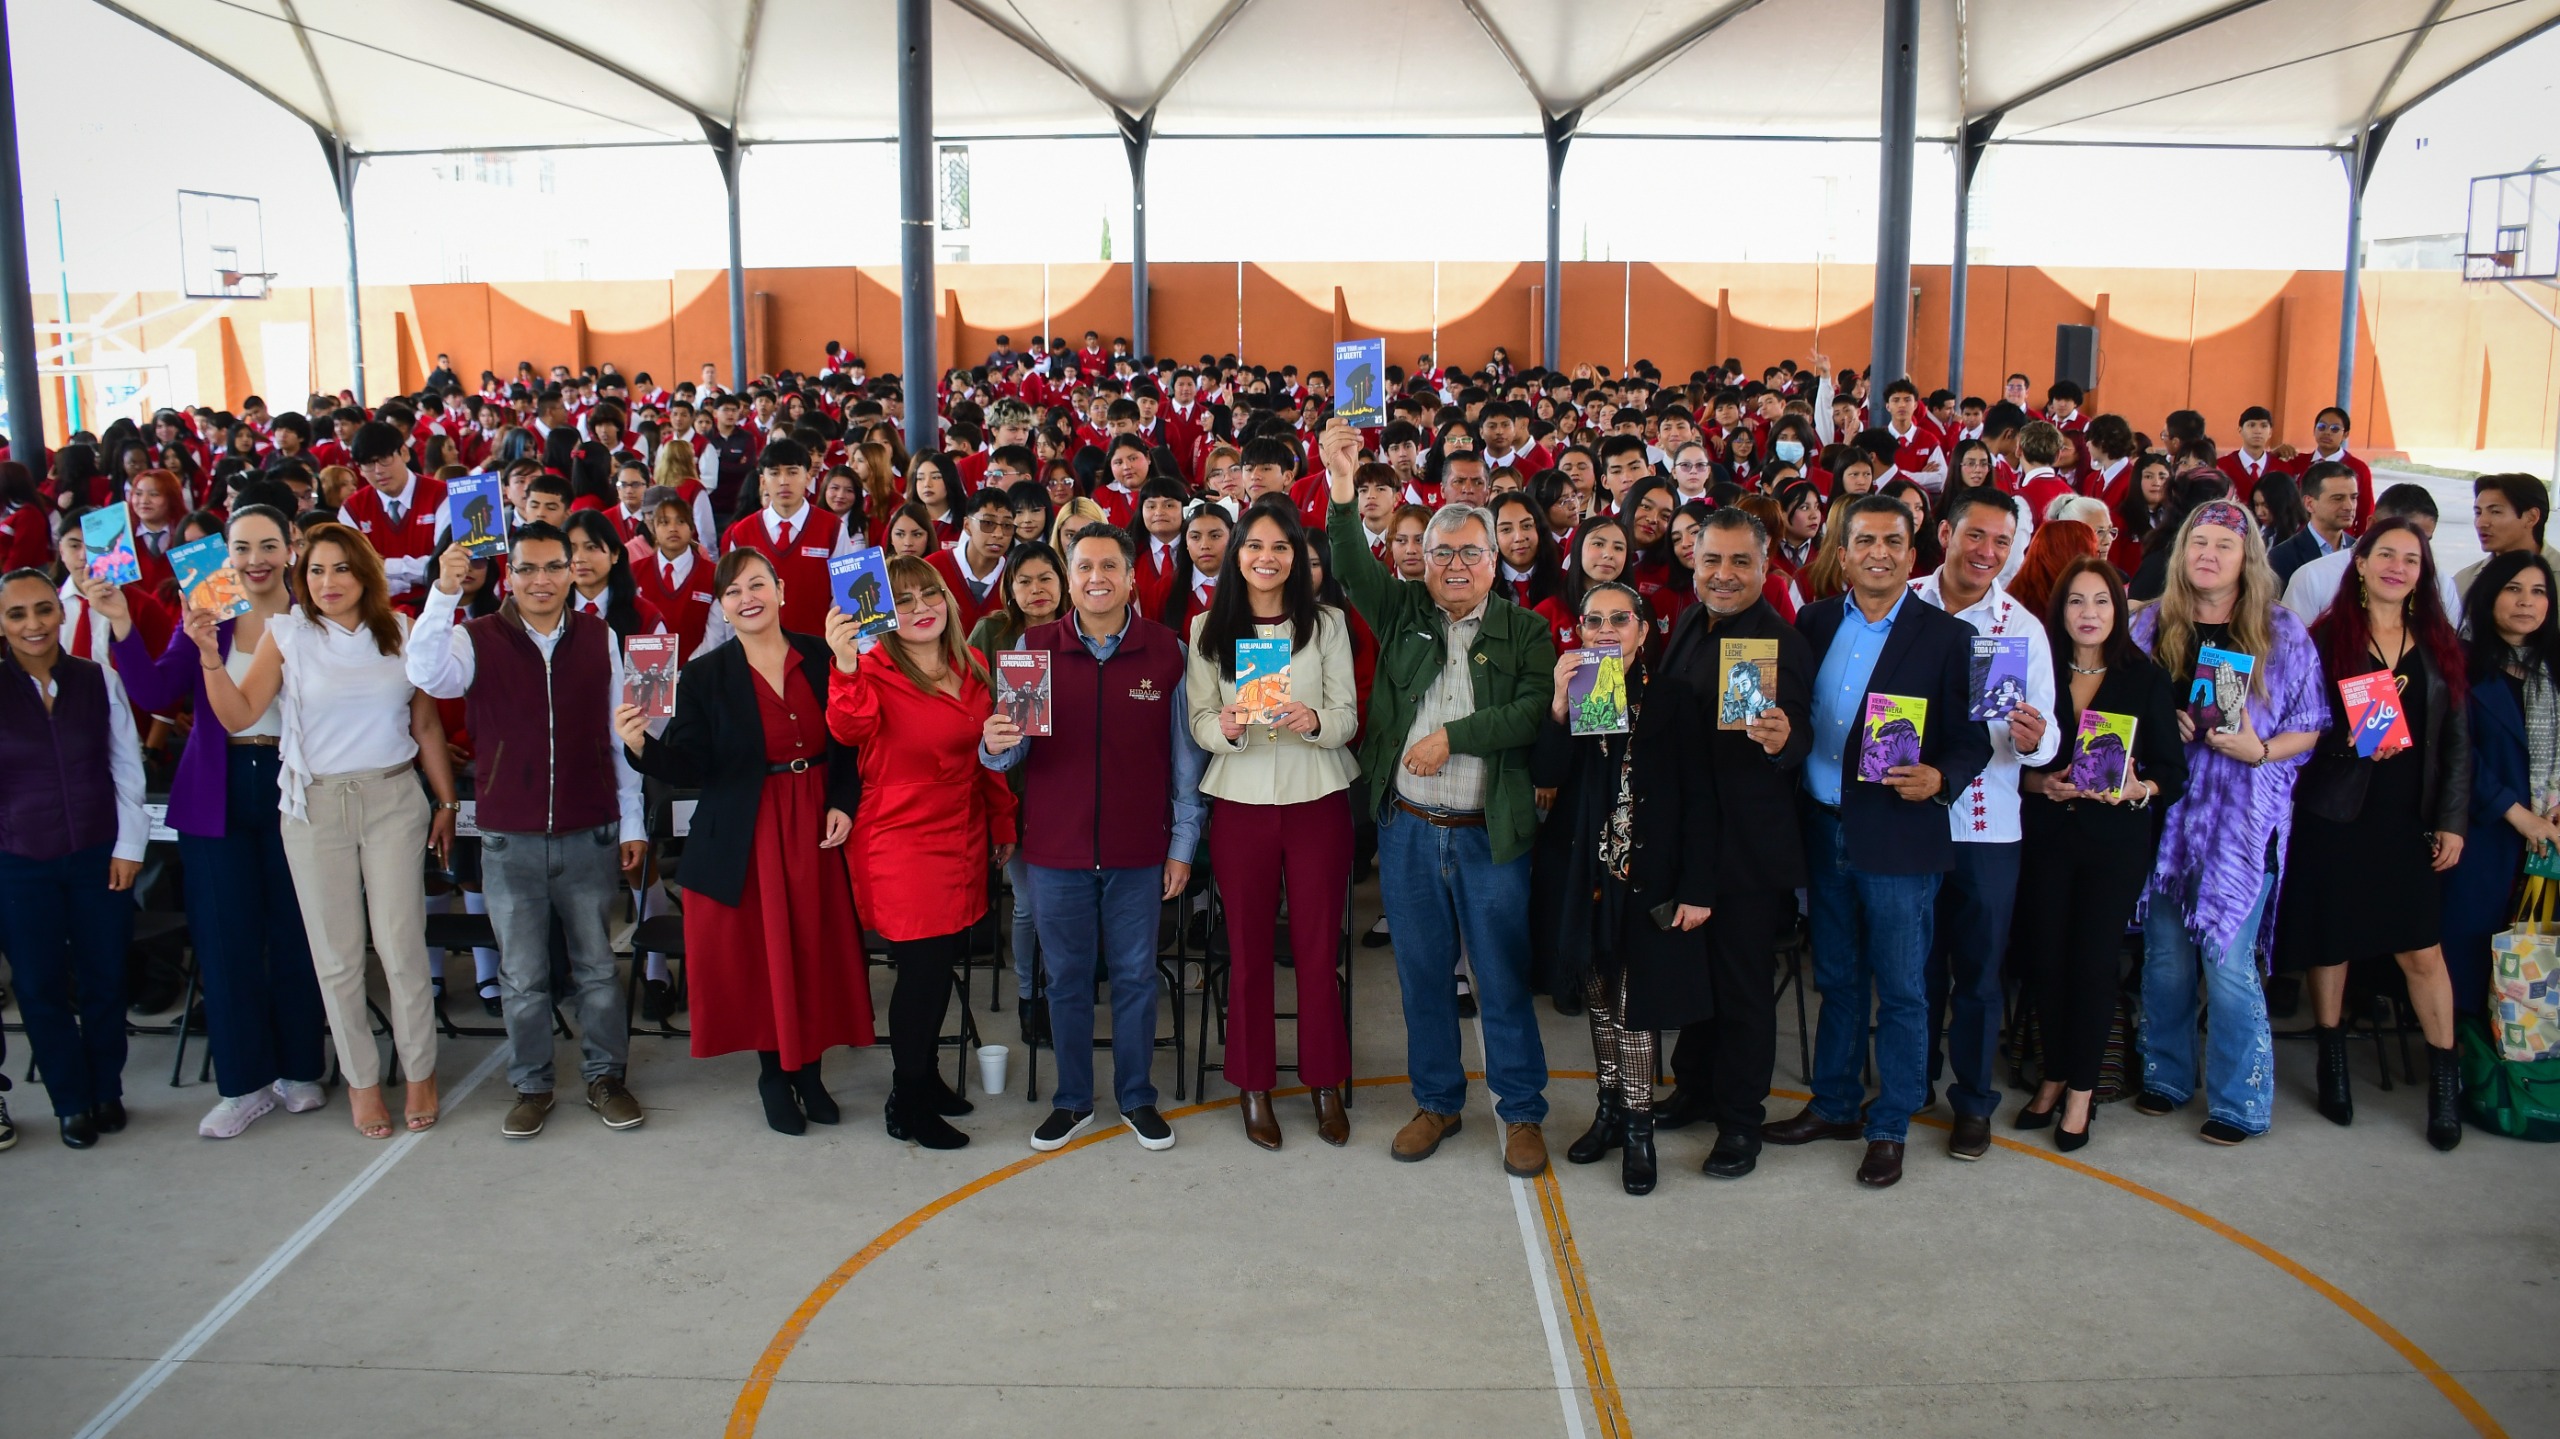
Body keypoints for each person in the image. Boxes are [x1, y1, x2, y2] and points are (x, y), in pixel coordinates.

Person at [1322, 418, 1560, 1178]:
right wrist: (1338, 486)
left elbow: (1529, 713)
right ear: (1422, 562)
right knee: (1422, 974)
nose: (1455, 564)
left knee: (1499, 977)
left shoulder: (1526, 631)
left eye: (1471, 552)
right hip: (1410, 831)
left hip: (1489, 833)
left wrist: (1453, 736)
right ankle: (1438, 1101)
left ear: (1496, 561)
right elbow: (1352, 563)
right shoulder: (1403, 615)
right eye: (1441, 552)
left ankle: (1520, 1112)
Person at [187, 521, 458, 1138]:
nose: (327, 581)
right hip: (314, 807)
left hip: (393, 796)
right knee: (335, 959)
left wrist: (445, 803)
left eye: (339, 568)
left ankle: (421, 1073)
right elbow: (239, 713)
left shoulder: (405, 634)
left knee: (401, 948)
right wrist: (209, 659)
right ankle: (362, 1083)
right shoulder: (287, 636)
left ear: (365, 572)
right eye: (314, 570)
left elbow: (427, 728)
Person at [1765, 496, 1991, 1190]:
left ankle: (1889, 1122)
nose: (1879, 553)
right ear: (1844, 551)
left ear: (1912, 554)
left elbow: (1975, 739)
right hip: (1823, 825)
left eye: (1893, 541)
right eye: (1865, 540)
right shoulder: (1814, 620)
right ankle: (1834, 1105)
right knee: (1835, 977)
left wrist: (1941, 777)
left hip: (1898, 836)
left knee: (1901, 989)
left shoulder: (1951, 638)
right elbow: (1798, 715)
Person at [409, 526, 652, 1139]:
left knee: (597, 966)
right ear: (507, 574)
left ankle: (605, 1077)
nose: (540, 580)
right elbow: (428, 674)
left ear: (573, 572)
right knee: (521, 975)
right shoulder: (472, 637)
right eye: (527, 568)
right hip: (507, 837)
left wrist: (632, 821)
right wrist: (443, 592)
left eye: (553, 567)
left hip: (589, 830)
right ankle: (532, 1085)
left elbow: (619, 739)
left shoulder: (601, 638)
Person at [620, 548, 870, 1136]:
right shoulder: (705, 675)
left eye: (757, 585)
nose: (747, 598)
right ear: (723, 607)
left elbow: (850, 739)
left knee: (813, 948)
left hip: (815, 823)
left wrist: (844, 800)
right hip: (746, 829)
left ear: (781, 590)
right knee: (764, 958)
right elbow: (689, 763)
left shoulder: (819, 654)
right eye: (733, 592)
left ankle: (809, 1069)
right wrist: (640, 747)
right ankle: (774, 1074)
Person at [99, 504, 325, 1139]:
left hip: (296, 787)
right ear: (226, 552)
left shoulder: (313, 608)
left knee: (297, 934)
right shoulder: (209, 607)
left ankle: (302, 1068)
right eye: (242, 547)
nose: (255, 560)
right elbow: (153, 693)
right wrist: (121, 623)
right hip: (216, 789)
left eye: (268, 546)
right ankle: (242, 1084)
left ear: (291, 548)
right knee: (226, 943)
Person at [980, 525, 1199, 1153]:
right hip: (1055, 849)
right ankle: (1072, 1099)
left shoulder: (1167, 651)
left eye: (1110, 566)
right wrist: (991, 744)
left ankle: (1136, 1097)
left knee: (1134, 977)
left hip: (1138, 851)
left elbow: (1185, 763)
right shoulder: (1033, 647)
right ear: (1069, 579)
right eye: (1084, 567)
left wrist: (1182, 845)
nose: (1096, 577)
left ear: (1133, 577)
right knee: (1066, 979)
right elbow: (1011, 750)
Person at [2131, 501, 2328, 1145]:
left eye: (2224, 544)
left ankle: (2239, 1101)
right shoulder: (2152, 626)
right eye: (2198, 543)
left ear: (2248, 558)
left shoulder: (2281, 631)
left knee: (2230, 963)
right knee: (2165, 958)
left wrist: (2260, 750)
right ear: (2182, 553)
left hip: (2244, 822)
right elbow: (2117, 708)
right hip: (2166, 820)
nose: (2209, 555)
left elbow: (2311, 724)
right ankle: (2164, 1075)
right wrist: (2167, 723)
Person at [2280, 517, 2471, 1150]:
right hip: (2337, 814)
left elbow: (2457, 744)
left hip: (2408, 820)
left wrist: (2451, 822)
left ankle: (2445, 1084)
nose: (2396, 566)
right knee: (2331, 941)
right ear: (2358, 564)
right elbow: (2298, 724)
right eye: (2383, 554)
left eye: (2410, 559)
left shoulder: (2441, 641)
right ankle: (2333, 1059)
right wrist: (2349, 743)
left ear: (2423, 573)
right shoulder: (2327, 637)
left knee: (2422, 949)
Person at [1529, 581, 1717, 1195]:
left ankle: (1640, 1128)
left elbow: (1699, 801)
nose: (1605, 631)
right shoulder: (1582, 693)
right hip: (1589, 876)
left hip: (1651, 879)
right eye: (1592, 622)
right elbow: (1549, 775)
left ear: (1643, 630)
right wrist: (1558, 708)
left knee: (1637, 1009)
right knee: (1601, 997)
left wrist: (1697, 885)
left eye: (1619, 620)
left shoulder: (1674, 698)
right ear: (1578, 632)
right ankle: (1609, 1110)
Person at [1183, 497, 1360, 1149]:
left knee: (1316, 952)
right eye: (1254, 546)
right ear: (1237, 554)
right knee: (1248, 953)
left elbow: (1347, 714)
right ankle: (1253, 1085)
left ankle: (1325, 1081)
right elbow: (1198, 718)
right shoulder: (1210, 625)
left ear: (1298, 558)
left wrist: (1314, 720)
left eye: (1280, 547)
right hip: (1241, 800)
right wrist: (1223, 727)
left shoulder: (1329, 625)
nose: (1267, 558)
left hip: (1317, 798)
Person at [1651, 508, 1812, 1177]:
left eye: (1740, 562)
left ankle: (1741, 1120)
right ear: (1694, 562)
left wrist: (1782, 743)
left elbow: (1797, 737)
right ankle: (1694, 1086)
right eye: (1711, 560)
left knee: (1743, 989)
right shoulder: (1691, 622)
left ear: (1765, 567)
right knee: (1695, 976)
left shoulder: (1777, 644)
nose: (1723, 574)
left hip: (1746, 850)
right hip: (1689, 836)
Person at [1903, 490, 2058, 1156]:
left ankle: (1972, 1101)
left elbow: (2047, 740)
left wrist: (2032, 741)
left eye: (2001, 542)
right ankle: (1912, 1084)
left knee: (1978, 974)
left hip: (1988, 827)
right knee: (1914, 969)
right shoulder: (1905, 602)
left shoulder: (2021, 626)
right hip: (1909, 816)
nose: (1986, 553)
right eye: (1975, 536)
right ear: (1945, 532)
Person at [2013, 557, 2187, 1151]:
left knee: (2092, 964)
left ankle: (2082, 1091)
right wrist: (2045, 784)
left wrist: (2141, 788)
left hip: (2114, 844)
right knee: (2045, 961)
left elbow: (2173, 772)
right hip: (2047, 837)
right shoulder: (2038, 676)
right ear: (2059, 612)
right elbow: (2012, 766)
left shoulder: (2144, 678)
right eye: (2076, 602)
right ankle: (2054, 1072)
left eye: (2102, 602)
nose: (2089, 614)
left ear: (2119, 610)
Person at [0, 568, 148, 1148]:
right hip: (18, 860)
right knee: (37, 986)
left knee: (105, 978)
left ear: (63, 613)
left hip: (98, 855)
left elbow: (126, 767)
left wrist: (130, 847)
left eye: (43, 609)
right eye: (17, 614)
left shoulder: (96, 679)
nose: (33, 623)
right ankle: (70, 1100)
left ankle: (106, 1088)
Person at [2442, 552, 2560, 1023]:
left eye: (2538, 592)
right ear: (2489, 595)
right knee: (2471, 950)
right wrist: (2515, 812)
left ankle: (2524, 1065)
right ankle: (2465, 1061)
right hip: (2483, 830)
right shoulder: (2459, 660)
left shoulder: (2553, 665)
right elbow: (2456, 752)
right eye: (2513, 589)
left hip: (2546, 834)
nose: (2526, 603)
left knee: (2537, 963)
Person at [967, 540, 1065, 1037]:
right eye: (1023, 580)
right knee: (1029, 905)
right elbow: (966, 699)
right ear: (1009, 588)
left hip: (1068, 788)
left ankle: (1064, 987)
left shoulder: (1081, 628)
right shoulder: (993, 631)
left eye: (1045, 577)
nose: (1036, 589)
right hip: (1013, 789)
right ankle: (1032, 996)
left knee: (1065, 903)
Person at [2279, 482, 2462, 623]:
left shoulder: (2441, 584)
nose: (2399, 567)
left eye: (2424, 542)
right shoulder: (2313, 577)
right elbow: (2291, 653)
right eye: (2393, 544)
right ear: (2371, 525)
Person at [2453, 471, 2560, 600]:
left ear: (2531, 518)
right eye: (2478, 512)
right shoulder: (2463, 583)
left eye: (2495, 512)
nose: (2481, 523)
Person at [2267, 460, 2357, 588]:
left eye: (2353, 498)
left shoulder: (2360, 550)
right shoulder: (2282, 556)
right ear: (2309, 504)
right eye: (2338, 498)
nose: (2349, 506)